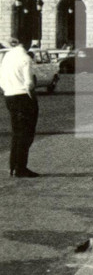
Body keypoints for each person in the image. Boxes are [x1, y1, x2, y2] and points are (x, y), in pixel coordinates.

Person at [0, 36, 39, 177]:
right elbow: (29, 83)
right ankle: (21, 167)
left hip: (9, 96)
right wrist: (32, 97)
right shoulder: (25, 58)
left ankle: (13, 166)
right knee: (26, 134)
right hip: (23, 97)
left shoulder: (7, 56)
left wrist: (7, 89)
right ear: (27, 42)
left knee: (16, 132)